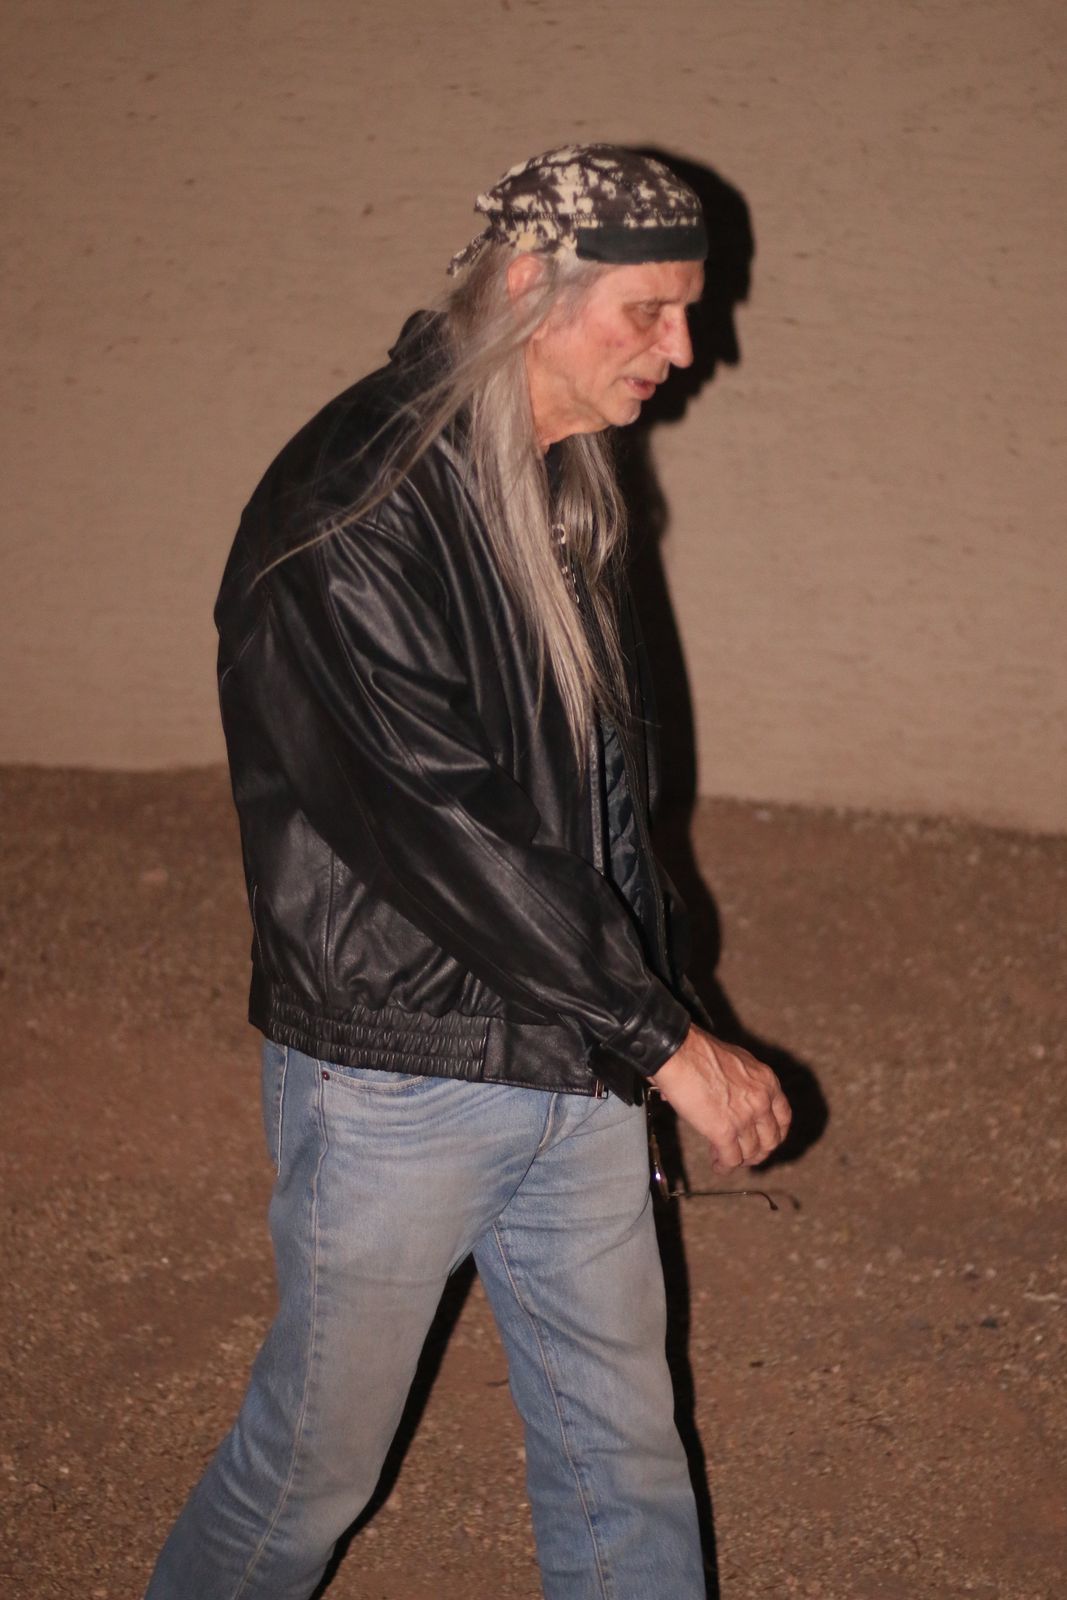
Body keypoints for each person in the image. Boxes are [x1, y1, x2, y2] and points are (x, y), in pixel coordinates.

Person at [145, 144, 791, 1600]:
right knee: (310, 1476)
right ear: (528, 287)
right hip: (403, 1078)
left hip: (572, 1049)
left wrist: (645, 1006)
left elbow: (596, 797)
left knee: (623, 1455)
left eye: (689, 310)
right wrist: (666, 1039)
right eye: (650, 311)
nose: (687, 349)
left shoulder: (555, 476)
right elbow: (440, 824)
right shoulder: (353, 506)